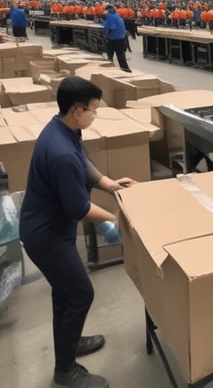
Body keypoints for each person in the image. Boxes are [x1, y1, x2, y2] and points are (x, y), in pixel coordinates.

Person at [19, 76, 138, 388]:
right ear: (76, 110)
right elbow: (79, 209)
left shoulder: (63, 129)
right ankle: (65, 371)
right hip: (47, 236)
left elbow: (84, 163)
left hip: (49, 229)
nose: (94, 115)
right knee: (80, 292)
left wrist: (109, 184)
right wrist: (117, 217)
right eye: (93, 110)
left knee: (65, 293)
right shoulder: (59, 152)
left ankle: (69, 345)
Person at [101, 4, 131, 72]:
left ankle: (110, 71)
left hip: (113, 39)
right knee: (121, 57)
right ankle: (126, 70)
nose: (104, 12)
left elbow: (111, 27)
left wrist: (105, 30)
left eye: (104, 10)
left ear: (107, 10)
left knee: (109, 57)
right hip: (121, 39)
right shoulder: (117, 15)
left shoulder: (110, 16)